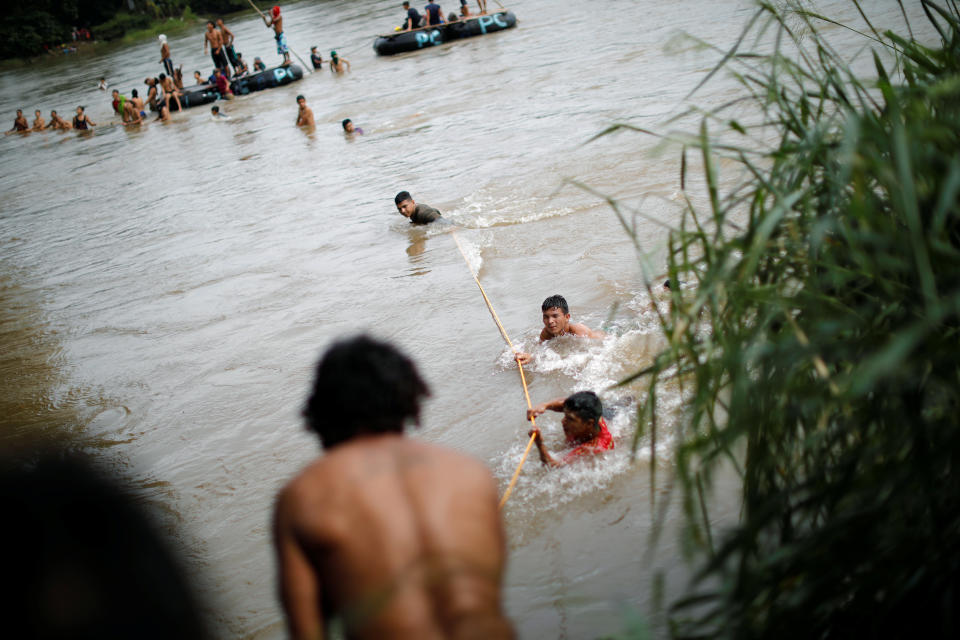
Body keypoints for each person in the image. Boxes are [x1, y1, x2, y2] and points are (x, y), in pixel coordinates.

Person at [273, 336, 512, 640]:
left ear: (323, 410)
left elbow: (307, 632)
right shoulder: (471, 474)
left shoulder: (304, 496)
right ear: (409, 395)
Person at [526, 391, 615, 467]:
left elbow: (554, 466)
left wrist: (539, 443)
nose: (563, 421)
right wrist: (545, 405)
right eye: (565, 415)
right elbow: (565, 403)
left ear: (589, 423)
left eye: (570, 419)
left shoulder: (593, 447)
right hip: (604, 411)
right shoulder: (586, 421)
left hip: (613, 415)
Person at [515, 295, 605, 365]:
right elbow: (541, 353)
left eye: (555, 316)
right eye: (546, 317)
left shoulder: (579, 332)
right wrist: (530, 357)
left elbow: (593, 354)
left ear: (567, 317)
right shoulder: (546, 333)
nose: (550, 321)